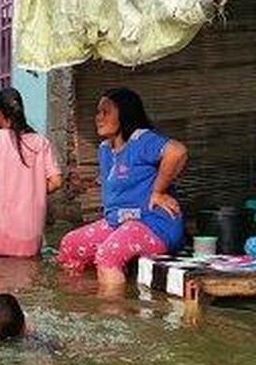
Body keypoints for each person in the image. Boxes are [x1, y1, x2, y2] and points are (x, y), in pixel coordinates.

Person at [57, 87, 188, 289]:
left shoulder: (141, 140)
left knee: (108, 255)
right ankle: (84, 299)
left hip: (154, 224)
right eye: (98, 112)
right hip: (118, 224)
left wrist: (158, 192)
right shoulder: (105, 149)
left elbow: (177, 152)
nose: (99, 118)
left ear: (125, 114)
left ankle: (112, 306)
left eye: (106, 112)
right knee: (71, 245)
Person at [0, 87, 62, 257]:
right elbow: (56, 182)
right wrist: (33, 192)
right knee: (28, 272)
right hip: (30, 232)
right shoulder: (40, 142)